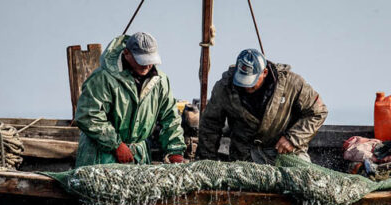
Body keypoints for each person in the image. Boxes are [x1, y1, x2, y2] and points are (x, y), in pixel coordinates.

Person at [197, 49, 328, 164]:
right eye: (242, 81)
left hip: (285, 154)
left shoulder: (292, 84)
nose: (247, 87)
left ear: (264, 72)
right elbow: (210, 125)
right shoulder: (225, 87)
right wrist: (207, 160)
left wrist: (293, 139)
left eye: (251, 82)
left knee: (304, 182)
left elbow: (318, 112)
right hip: (243, 157)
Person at [74, 32, 186, 167]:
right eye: (142, 61)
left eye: (150, 61)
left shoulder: (160, 81)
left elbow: (170, 118)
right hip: (101, 157)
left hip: (139, 157)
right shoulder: (102, 78)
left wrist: (175, 151)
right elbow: (87, 115)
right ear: (126, 53)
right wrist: (116, 145)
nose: (147, 66)